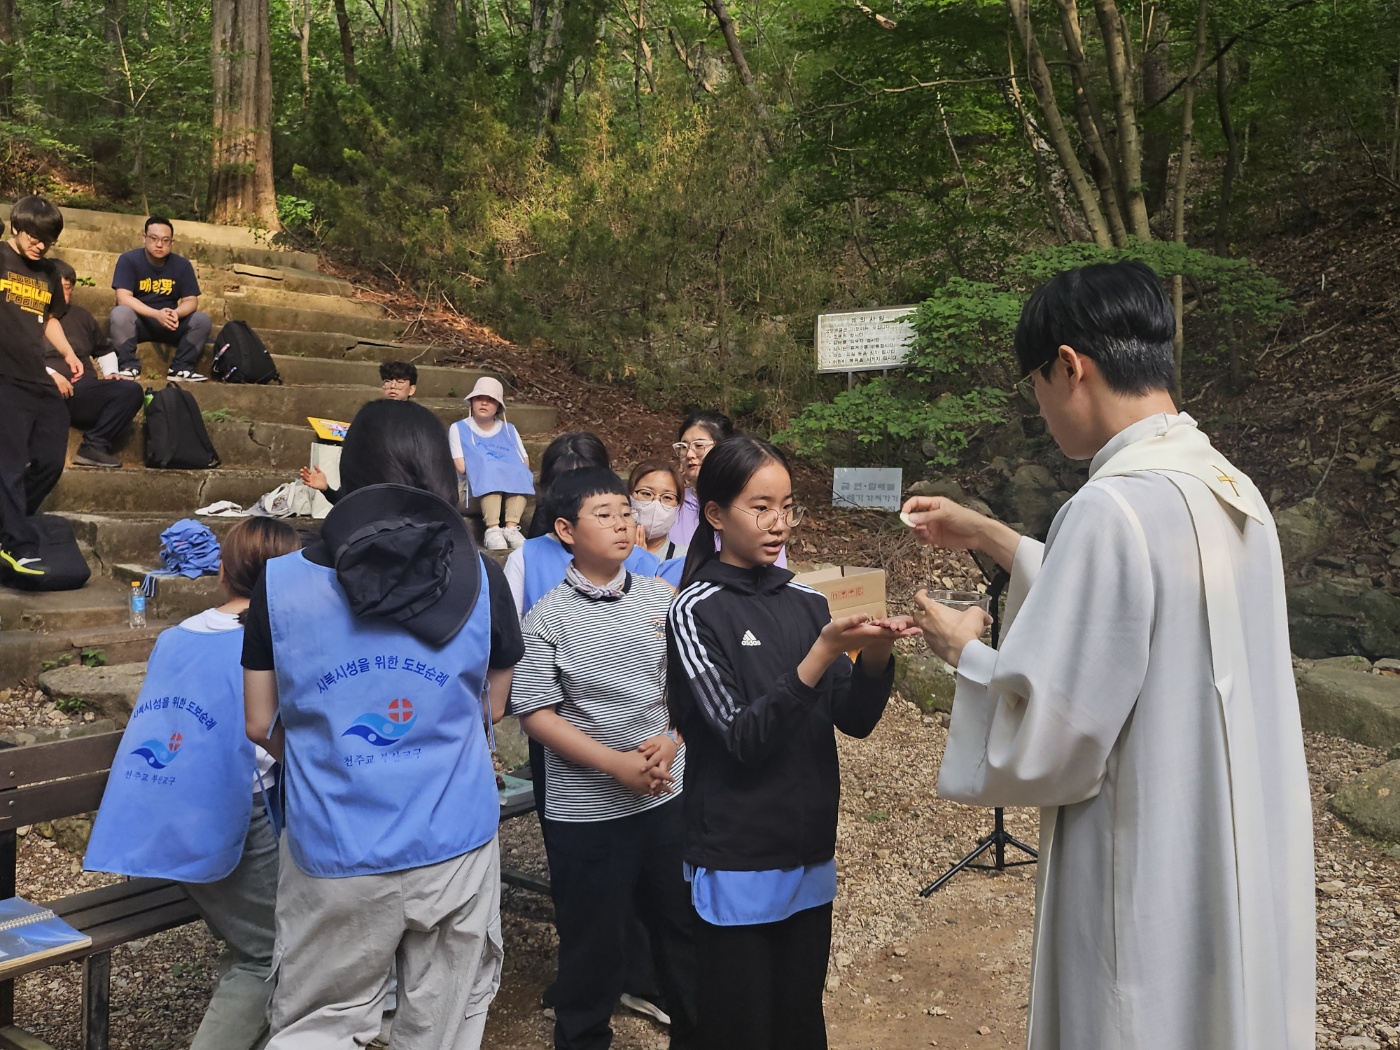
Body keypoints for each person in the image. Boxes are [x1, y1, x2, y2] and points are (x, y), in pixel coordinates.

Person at [904, 260, 1314, 1050]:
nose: (1042, 411)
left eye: (1036, 387)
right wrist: (992, 534)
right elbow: (1140, 613)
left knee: (1135, 1011)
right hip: (1234, 843)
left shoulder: (1110, 506)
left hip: (1147, 852)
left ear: (1070, 366)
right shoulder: (1231, 490)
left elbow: (1055, 734)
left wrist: (967, 655)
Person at [242, 399, 524, 1050]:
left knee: (318, 1027)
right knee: (443, 1030)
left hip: (335, 848)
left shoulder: (279, 583)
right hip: (456, 842)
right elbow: (494, 707)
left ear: (350, 472)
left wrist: (324, 757)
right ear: (444, 476)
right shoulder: (484, 576)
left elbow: (259, 723)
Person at [665, 436, 916, 1050]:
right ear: (717, 514)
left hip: (807, 850)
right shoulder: (697, 608)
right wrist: (823, 652)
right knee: (738, 1027)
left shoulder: (808, 601)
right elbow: (741, 736)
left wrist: (877, 652)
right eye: (760, 507)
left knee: (800, 1022)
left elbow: (854, 718)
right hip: (736, 854)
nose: (777, 523)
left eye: (788, 507)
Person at [84, 517, 300, 1050]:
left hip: (158, 808)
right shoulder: (275, 638)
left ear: (223, 572)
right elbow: (276, 736)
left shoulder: (177, 636)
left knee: (252, 937)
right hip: (227, 813)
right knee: (271, 950)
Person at [510, 467, 698, 1050]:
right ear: (565, 530)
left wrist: (673, 739)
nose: (623, 524)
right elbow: (536, 714)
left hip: (668, 793)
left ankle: (698, 1030)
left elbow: (692, 690)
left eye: (625, 511)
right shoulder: (546, 617)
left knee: (681, 927)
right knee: (592, 936)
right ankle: (584, 1034)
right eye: (605, 515)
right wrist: (615, 765)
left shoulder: (662, 600)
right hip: (587, 812)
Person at [0, 195, 84, 579]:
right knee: (10, 463)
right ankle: (17, 543)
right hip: (3, 376)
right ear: (16, 228)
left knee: (50, 460)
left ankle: (8, 524)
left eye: (47, 238)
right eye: (33, 235)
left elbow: (49, 318)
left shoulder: (48, 271)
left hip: (36, 375)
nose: (39, 244)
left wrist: (68, 354)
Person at [42, 260, 144, 473]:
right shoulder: (27, 315)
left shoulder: (81, 316)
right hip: (42, 388)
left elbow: (103, 350)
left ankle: (94, 445)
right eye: (60, 290)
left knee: (130, 390)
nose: (65, 296)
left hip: (82, 390)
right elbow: (18, 355)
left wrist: (111, 373)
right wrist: (51, 375)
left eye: (69, 290)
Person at [669, 411, 787, 568]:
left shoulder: (753, 505)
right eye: (683, 447)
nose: (689, 454)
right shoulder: (672, 505)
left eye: (699, 445)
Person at [108, 215, 213, 382]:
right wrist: (156, 314)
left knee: (202, 320)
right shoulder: (128, 260)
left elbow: (191, 301)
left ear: (172, 243)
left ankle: (181, 367)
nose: (159, 244)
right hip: (139, 322)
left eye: (165, 240)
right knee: (120, 313)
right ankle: (128, 365)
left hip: (170, 323)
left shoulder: (182, 265)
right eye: (154, 238)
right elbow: (123, 298)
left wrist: (176, 314)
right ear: (144, 238)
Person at [298, 359, 418, 504]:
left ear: (411, 389)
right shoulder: (369, 417)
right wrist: (326, 489)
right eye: (387, 381)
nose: (392, 386)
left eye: (399, 381)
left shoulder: (419, 423)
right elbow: (349, 497)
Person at [450, 376, 534, 551]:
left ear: (498, 406)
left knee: (519, 471)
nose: (484, 403)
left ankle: (511, 527)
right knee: (488, 467)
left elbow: (524, 463)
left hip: (505, 493)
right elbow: (462, 467)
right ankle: (492, 529)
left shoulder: (509, 429)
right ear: (472, 401)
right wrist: (499, 466)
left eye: (491, 400)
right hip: (470, 493)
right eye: (480, 398)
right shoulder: (458, 428)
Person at [628, 459, 686, 587]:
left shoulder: (685, 560)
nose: (656, 503)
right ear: (629, 496)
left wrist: (643, 564)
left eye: (667, 497)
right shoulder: (608, 552)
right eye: (646, 494)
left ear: (678, 505)